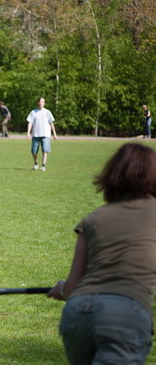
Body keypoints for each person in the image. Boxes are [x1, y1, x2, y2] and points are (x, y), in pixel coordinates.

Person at [47, 143, 156, 365]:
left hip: (77, 313)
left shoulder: (93, 218)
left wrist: (62, 289)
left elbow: (73, 284)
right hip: (125, 315)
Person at [26, 97, 57, 172]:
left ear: (44, 103)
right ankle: (36, 163)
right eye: (40, 102)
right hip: (36, 134)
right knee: (34, 151)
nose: (41, 103)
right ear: (38, 103)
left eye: (42, 102)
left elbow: (51, 123)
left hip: (45, 134)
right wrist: (28, 133)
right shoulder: (33, 112)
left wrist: (54, 134)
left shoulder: (47, 112)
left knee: (45, 150)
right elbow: (30, 123)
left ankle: (43, 165)